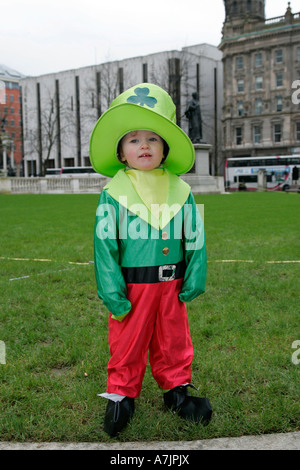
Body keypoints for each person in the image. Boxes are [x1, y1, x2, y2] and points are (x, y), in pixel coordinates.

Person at [89, 83, 212, 437]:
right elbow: (104, 246)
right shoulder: (113, 194)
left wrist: (195, 273)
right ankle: (122, 395)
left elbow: (195, 236)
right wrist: (111, 289)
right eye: (133, 139)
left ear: (165, 148)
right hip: (132, 286)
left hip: (171, 284)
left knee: (173, 337)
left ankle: (176, 391)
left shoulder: (181, 190)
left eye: (153, 138)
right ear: (122, 153)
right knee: (128, 339)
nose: (144, 145)